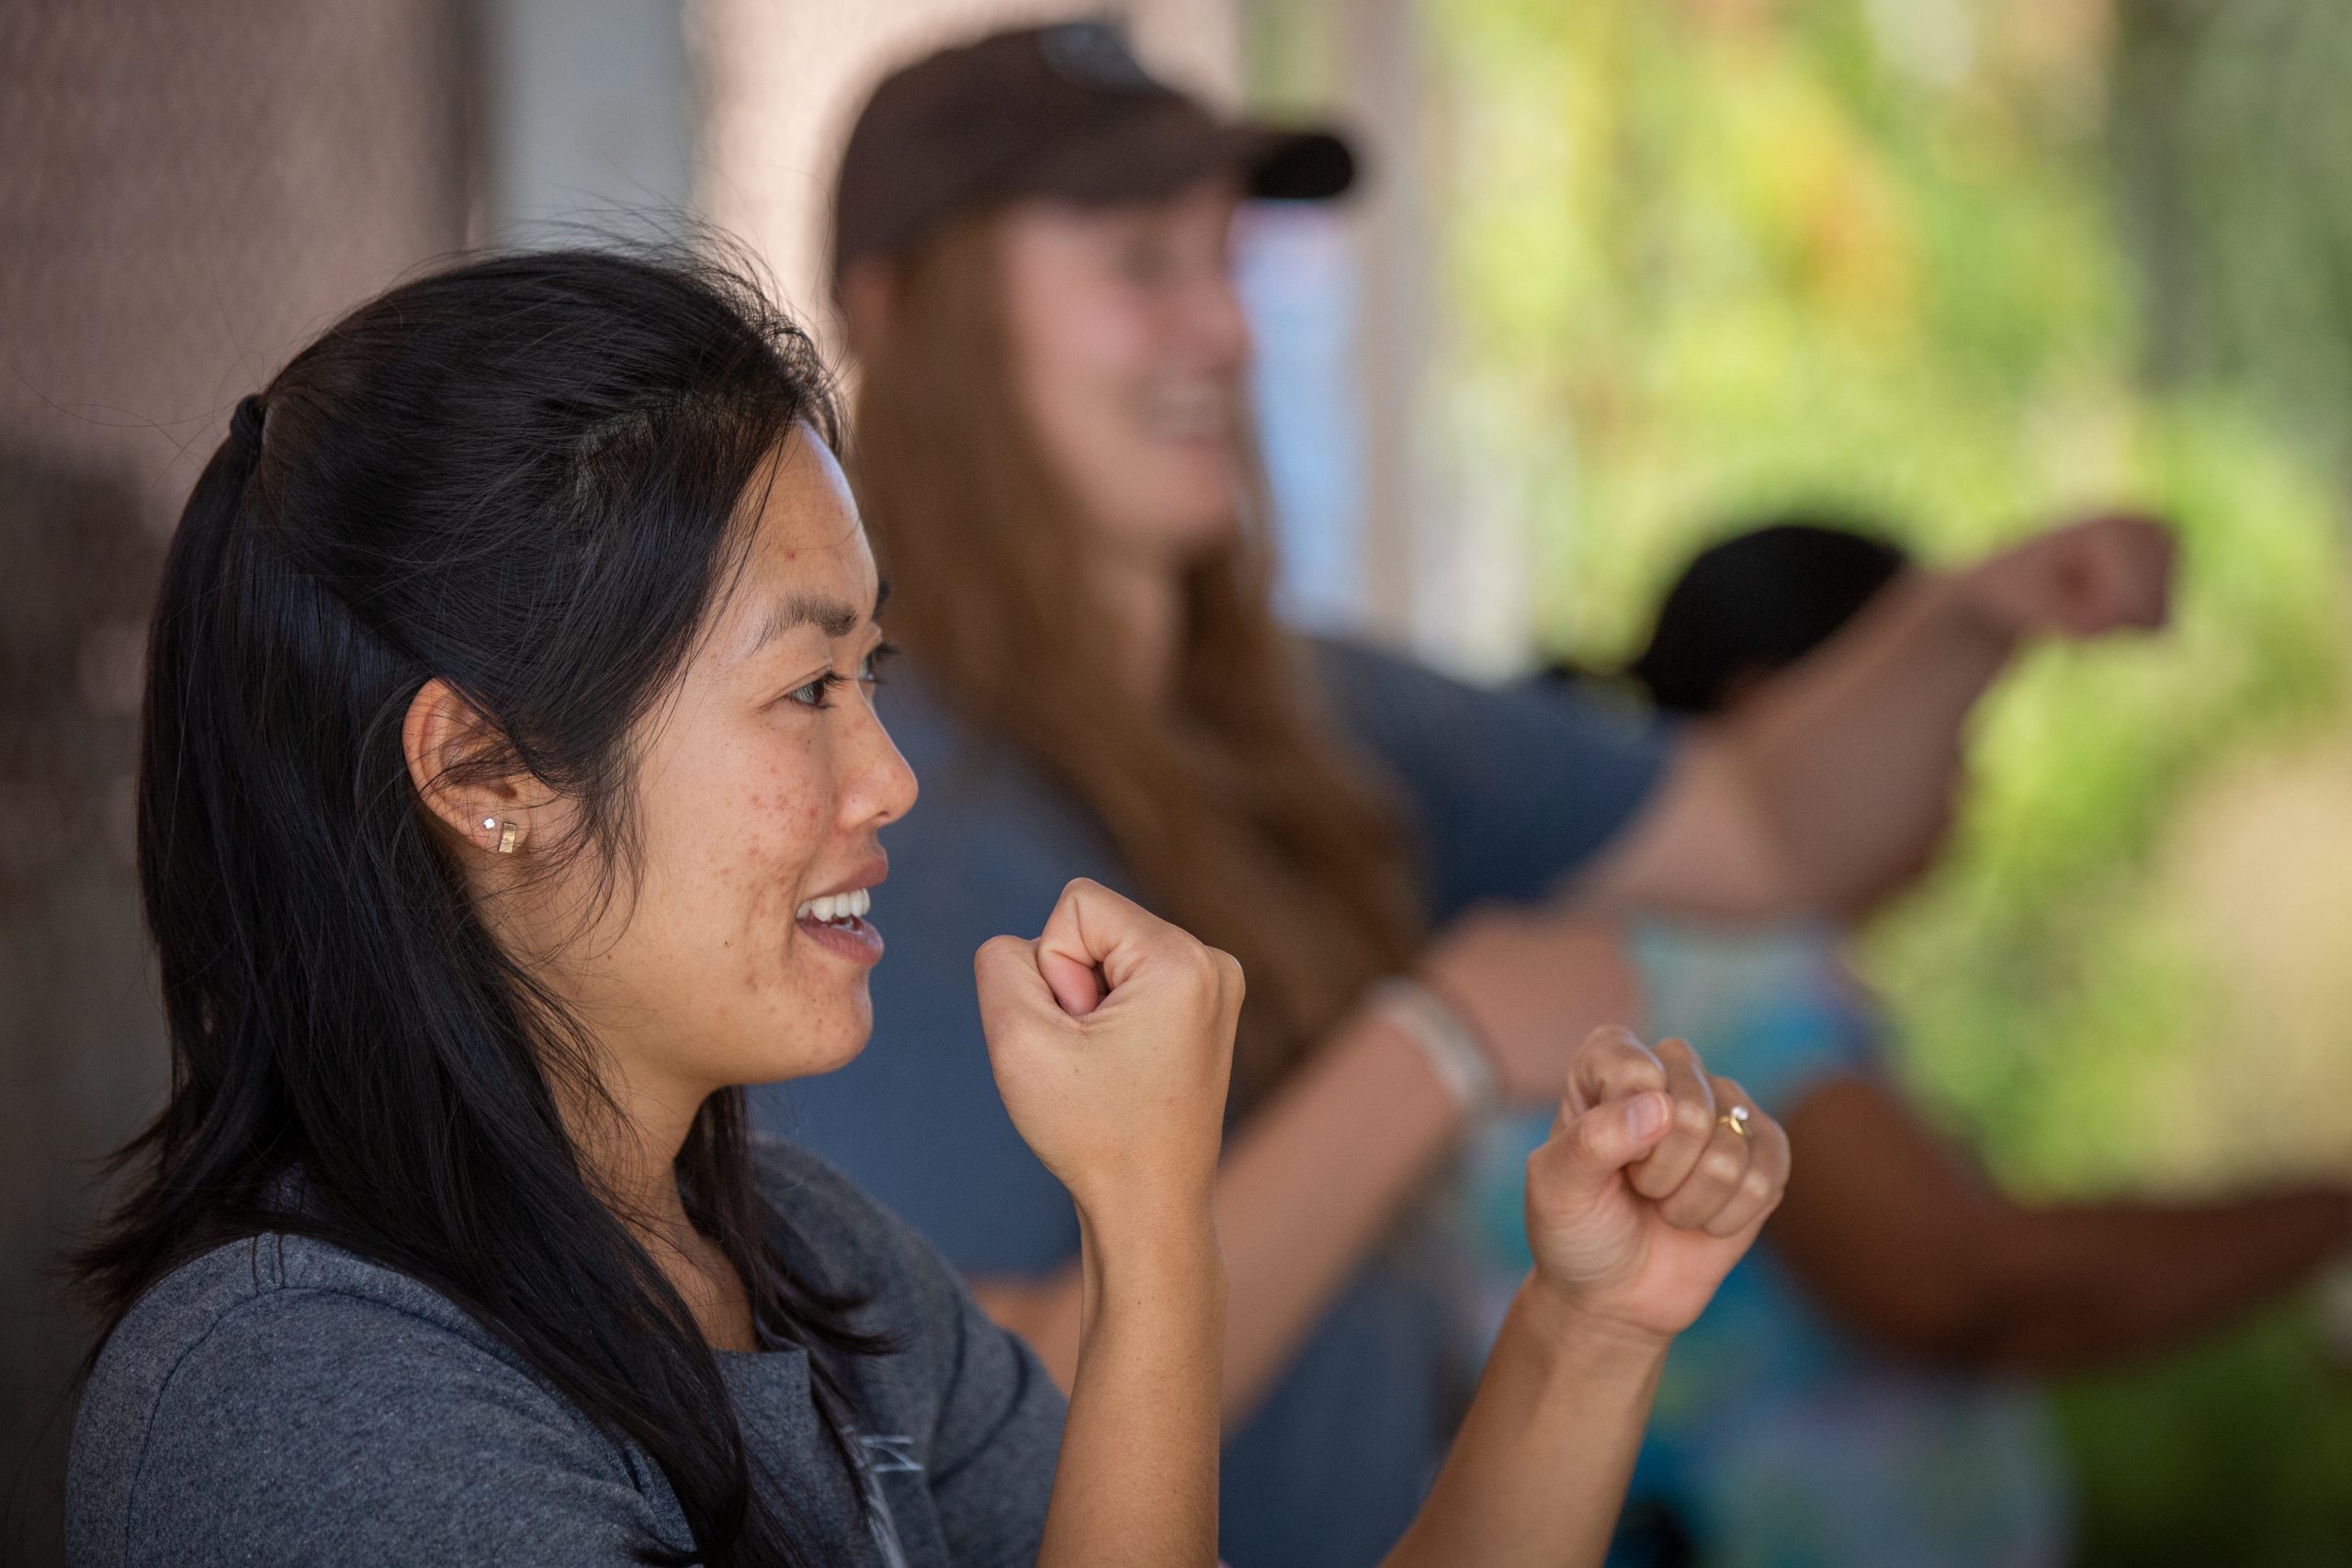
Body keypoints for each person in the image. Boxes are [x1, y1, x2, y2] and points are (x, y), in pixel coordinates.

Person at [63, 247, 1792, 1568]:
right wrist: (1147, 1221)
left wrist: (1591, 1322)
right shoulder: (307, 1394)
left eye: (871, 676)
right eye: (806, 690)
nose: (885, 779)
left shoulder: (815, 1261)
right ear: (487, 768)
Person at [757, 20, 2181, 1568]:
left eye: (1231, 262)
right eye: (1140, 264)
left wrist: (1973, 618)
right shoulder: (864, 787)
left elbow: (1768, 830)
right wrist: (1429, 1045)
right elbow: (976, 1403)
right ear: (907, 313)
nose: (1225, 331)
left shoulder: (1308, 708)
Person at [1453, 516, 2352, 1568]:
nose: (1973, 783)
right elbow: (1962, 1289)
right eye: (1948, 731)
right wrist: (2328, 1218)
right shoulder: (1714, 967)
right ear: (1774, 707)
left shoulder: (1677, 955)